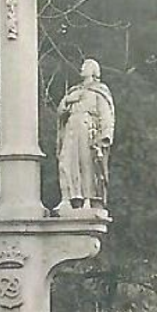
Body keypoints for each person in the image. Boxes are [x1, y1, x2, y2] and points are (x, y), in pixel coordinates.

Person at [55, 58, 116, 212]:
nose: (81, 68)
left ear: (93, 71)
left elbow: (106, 115)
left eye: (85, 66)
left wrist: (105, 136)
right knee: (66, 162)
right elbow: (60, 112)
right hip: (71, 128)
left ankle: (89, 199)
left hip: (87, 128)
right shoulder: (73, 91)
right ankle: (67, 198)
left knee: (87, 164)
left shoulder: (100, 90)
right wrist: (67, 101)